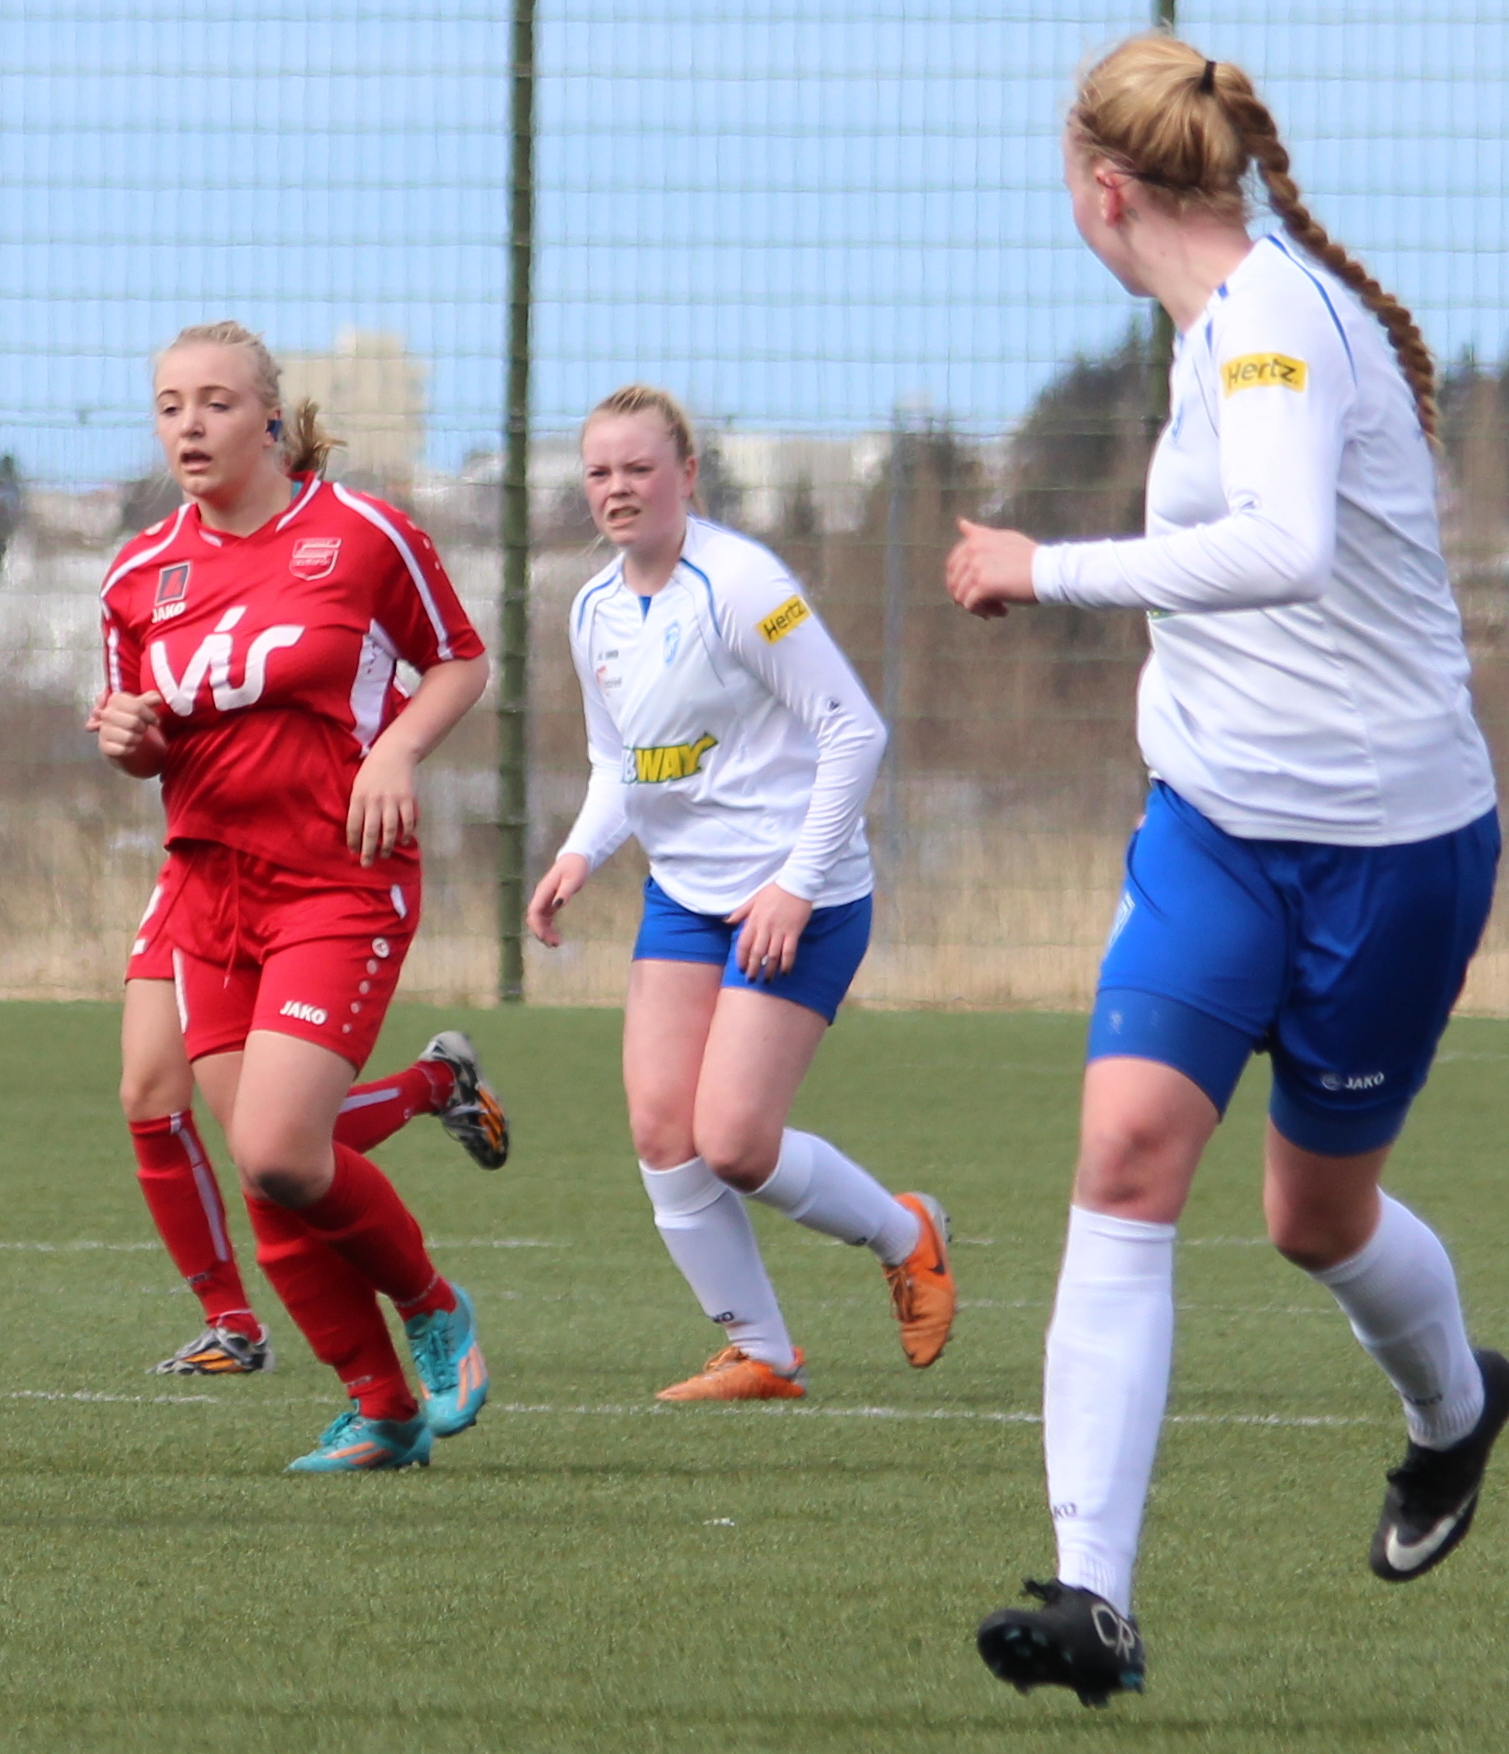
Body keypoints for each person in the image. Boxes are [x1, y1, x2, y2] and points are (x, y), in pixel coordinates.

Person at [941, 36, 1509, 1705]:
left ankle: (1454, 1411)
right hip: (1212, 831)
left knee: (1313, 1219)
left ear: (1105, 190)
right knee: (1126, 1155)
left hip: (1392, 853)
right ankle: (1092, 1601)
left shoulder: (1271, 323)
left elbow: (1283, 547)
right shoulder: (1209, 335)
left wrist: (1039, 567)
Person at [91, 322, 492, 1472]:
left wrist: (395, 751)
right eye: (171, 404)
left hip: (337, 878)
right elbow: (149, 742)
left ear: (271, 416)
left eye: (216, 402)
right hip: (210, 889)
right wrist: (128, 737)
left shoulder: (360, 531)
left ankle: (433, 1305)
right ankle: (381, 1407)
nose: (190, 425)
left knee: (276, 1147)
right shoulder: (135, 573)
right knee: (271, 1177)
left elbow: (460, 658)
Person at [528, 384, 956, 1402]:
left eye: (639, 468)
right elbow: (618, 763)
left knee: (733, 1142)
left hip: (800, 895)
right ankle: (762, 1351)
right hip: (684, 897)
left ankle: (906, 1234)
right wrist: (580, 852)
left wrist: (795, 885)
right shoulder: (592, 610)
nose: (618, 488)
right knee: (661, 1132)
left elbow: (855, 731)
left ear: (686, 474)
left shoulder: (742, 584)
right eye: (599, 472)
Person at [121, 941, 504, 1380]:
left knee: (264, 1138)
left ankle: (437, 1082)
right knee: (146, 1096)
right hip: (186, 904)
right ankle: (232, 1326)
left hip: (260, 909)